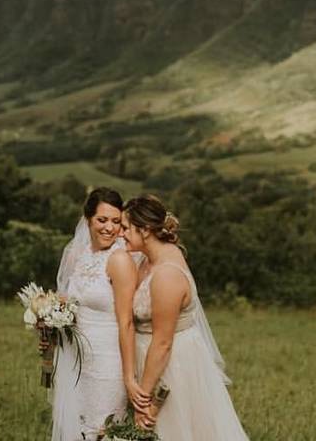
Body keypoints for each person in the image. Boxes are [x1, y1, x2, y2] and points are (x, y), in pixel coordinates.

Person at [121, 194, 249, 440]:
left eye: (126, 228)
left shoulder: (167, 275)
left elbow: (163, 342)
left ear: (145, 230)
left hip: (171, 366)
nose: (122, 233)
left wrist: (144, 399)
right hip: (151, 357)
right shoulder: (151, 257)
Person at [50, 187, 142, 441]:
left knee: (103, 430)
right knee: (77, 428)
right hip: (77, 360)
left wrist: (128, 377)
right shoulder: (76, 255)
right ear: (88, 219)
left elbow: (127, 322)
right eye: (102, 220)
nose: (109, 228)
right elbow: (66, 302)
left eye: (115, 222)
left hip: (108, 363)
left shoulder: (120, 260)